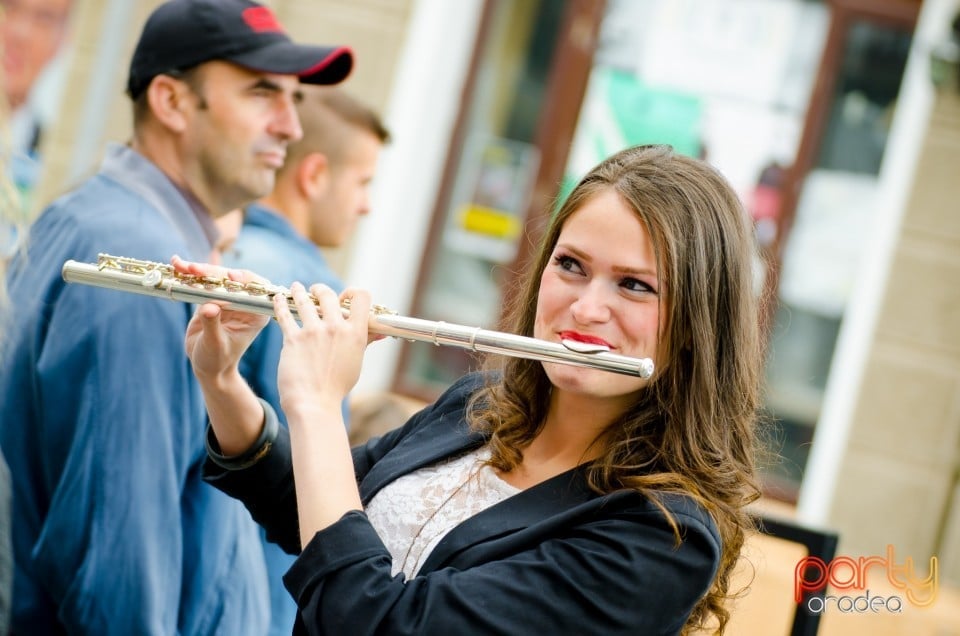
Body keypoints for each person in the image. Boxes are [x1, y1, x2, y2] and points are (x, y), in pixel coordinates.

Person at [179, 143, 764, 635]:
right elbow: (310, 506)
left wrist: (317, 403)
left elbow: (374, 618)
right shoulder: (479, 405)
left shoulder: (660, 535)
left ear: (696, 325)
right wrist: (223, 379)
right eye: (572, 266)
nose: (585, 308)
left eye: (634, 285)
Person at [0, 0, 353, 632]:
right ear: (170, 101)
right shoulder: (137, 262)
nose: (290, 126)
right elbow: (118, 563)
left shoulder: (119, 226)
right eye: (261, 92)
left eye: (295, 100)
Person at [214, 86, 389, 636]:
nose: (366, 205)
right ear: (313, 176)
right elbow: (303, 495)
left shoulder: (226, 261)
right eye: (362, 183)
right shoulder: (308, 299)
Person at [1, 0, 74, 206]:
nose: (20, 34)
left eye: (44, 19)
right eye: (8, 6)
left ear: (64, 39)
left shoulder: (54, 162)